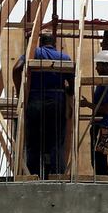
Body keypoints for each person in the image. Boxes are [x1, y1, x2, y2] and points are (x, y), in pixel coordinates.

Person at [13, 32, 74, 179]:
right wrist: (69, 92)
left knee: (33, 144)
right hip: (56, 102)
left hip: (34, 101)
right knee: (56, 143)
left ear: (40, 43)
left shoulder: (33, 53)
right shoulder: (63, 57)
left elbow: (16, 68)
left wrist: (19, 91)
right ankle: (58, 177)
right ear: (54, 44)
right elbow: (72, 80)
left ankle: (32, 177)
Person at [80, 48, 108, 176]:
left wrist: (87, 104)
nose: (96, 69)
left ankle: (106, 187)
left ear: (105, 66)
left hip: (101, 127)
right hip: (100, 126)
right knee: (97, 161)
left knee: (99, 162)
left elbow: (106, 109)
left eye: (98, 65)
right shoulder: (105, 82)